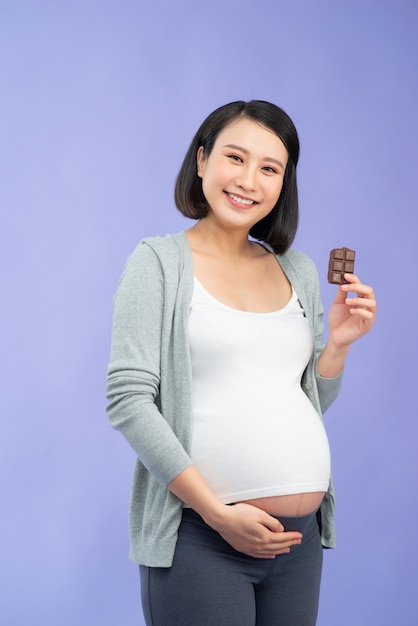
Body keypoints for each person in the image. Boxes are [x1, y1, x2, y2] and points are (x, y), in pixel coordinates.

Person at [106, 100, 376, 626]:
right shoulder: (158, 263)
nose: (249, 180)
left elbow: (305, 399)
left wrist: (337, 347)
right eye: (235, 157)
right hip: (202, 538)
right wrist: (216, 513)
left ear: (283, 184)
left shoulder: (295, 270)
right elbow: (130, 402)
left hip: (298, 544)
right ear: (202, 160)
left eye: (269, 169)